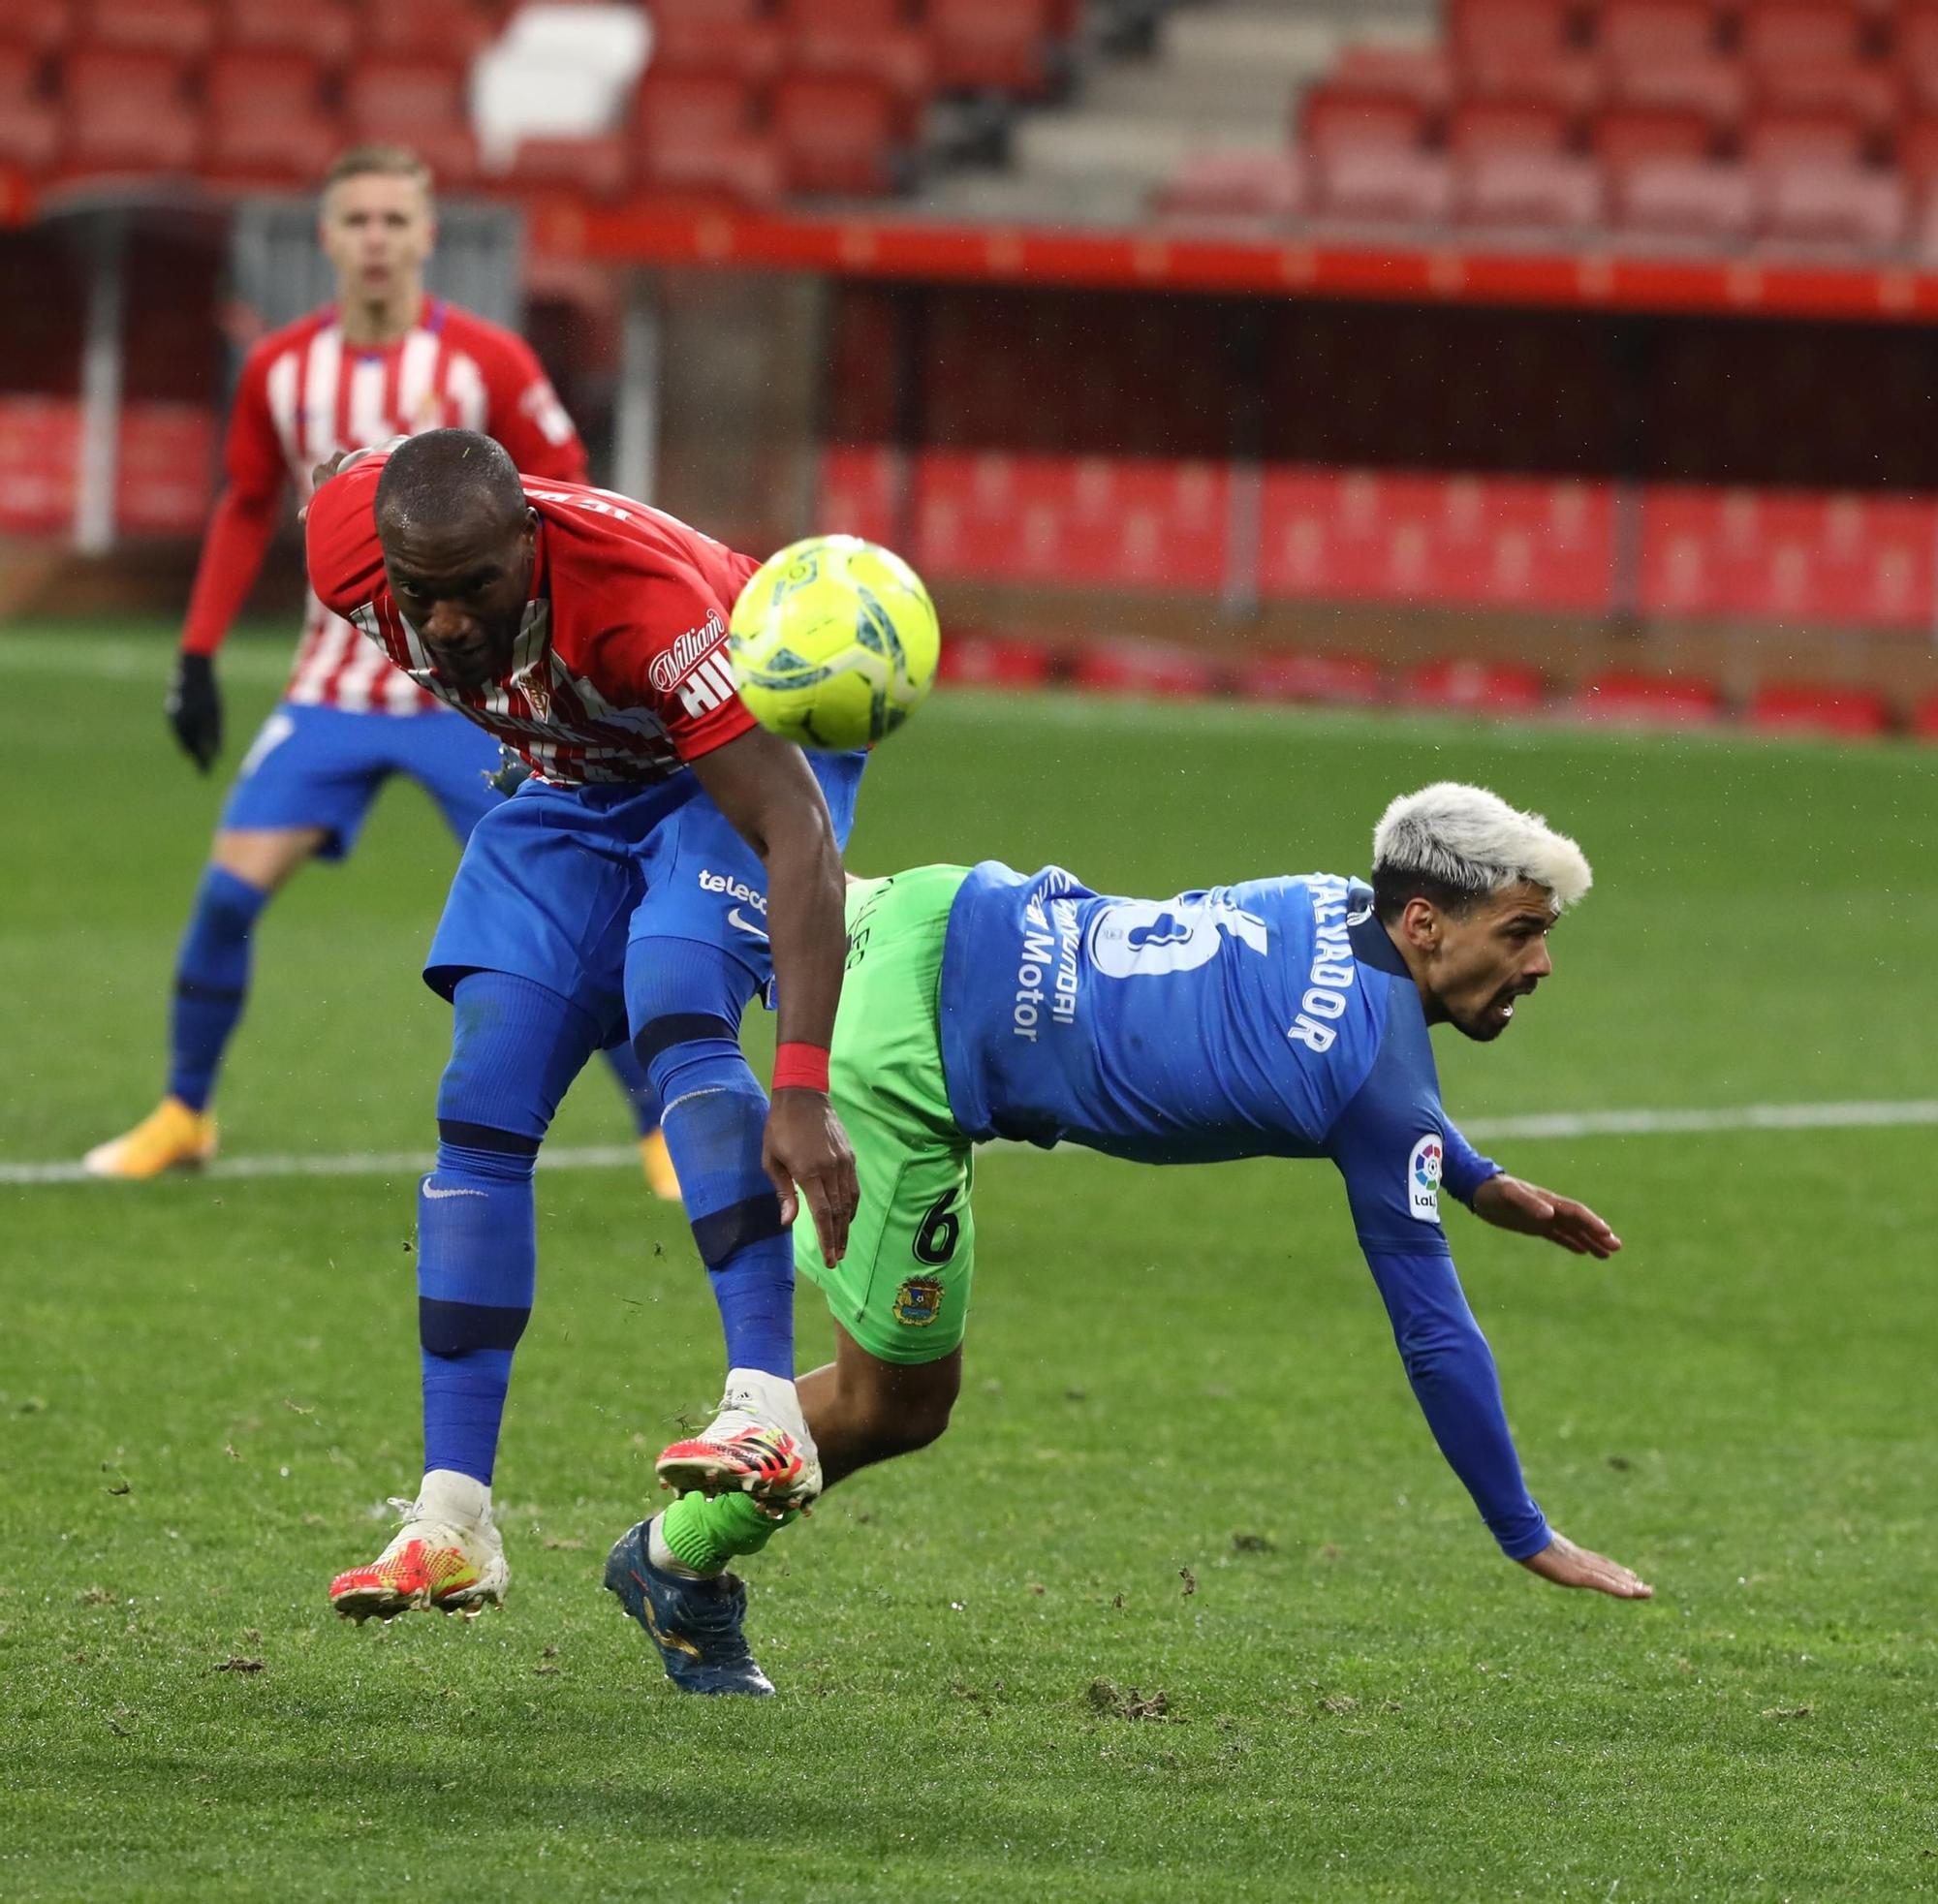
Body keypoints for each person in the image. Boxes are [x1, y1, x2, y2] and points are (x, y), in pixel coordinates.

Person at [606, 782, 1653, 1695]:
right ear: (1423, 922)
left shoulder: (1328, 898)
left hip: (930, 903)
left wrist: (1470, 1179)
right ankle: (677, 1559)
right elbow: (1434, 1332)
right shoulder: (1374, 1087)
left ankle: (608, 800)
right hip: (904, 1065)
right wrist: (1524, 1531)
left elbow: (1366, 1070)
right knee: (897, 1402)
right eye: (1518, 932)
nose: (1541, 963)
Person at [304, 428, 864, 1621]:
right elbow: (342, 483)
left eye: (476, 589)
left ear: (532, 542)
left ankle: (766, 1410)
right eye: (422, 596)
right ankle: (452, 1517)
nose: (447, 624)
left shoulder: (644, 610)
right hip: (574, 778)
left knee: (673, 999)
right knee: (481, 1102)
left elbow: (794, 831)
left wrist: (802, 1086)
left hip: (742, 763)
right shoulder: (352, 555)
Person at [82, 144, 680, 1198]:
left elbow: (570, 492)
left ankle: (657, 1129)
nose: (374, 240)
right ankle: (183, 1112)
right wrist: (197, 653)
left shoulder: (485, 363)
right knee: (226, 896)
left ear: (426, 236)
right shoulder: (280, 369)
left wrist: (566, 655)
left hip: (479, 705)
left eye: (393, 222)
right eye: (355, 220)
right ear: (325, 236)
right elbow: (244, 504)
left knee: (566, 909)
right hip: (328, 693)